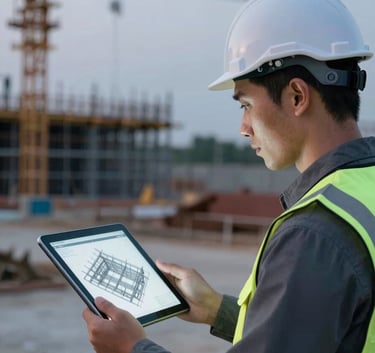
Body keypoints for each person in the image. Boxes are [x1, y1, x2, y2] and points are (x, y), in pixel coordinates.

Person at [82, 0, 375, 352]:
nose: (243, 128)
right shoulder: (363, 191)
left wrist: (132, 348)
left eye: (246, 105)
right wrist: (217, 310)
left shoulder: (314, 234)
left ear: (297, 96)